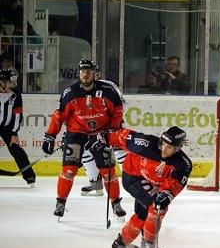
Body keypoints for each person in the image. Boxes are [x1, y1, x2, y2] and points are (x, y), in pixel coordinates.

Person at [86, 126, 192, 248]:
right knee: (156, 207)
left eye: (169, 147)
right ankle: (148, 244)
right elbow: (124, 137)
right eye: (163, 144)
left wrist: (167, 194)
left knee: (143, 215)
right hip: (133, 177)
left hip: (150, 183)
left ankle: (120, 244)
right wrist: (105, 138)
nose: (164, 149)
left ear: (178, 148)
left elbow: (175, 184)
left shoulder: (183, 163)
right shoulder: (146, 144)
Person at [42, 59, 126, 219]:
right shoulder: (70, 92)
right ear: (79, 73)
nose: (85, 74)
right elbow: (59, 116)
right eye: (82, 71)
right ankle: (61, 202)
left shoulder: (108, 90)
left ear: (95, 73)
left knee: (108, 172)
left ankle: (116, 204)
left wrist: (111, 130)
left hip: (101, 134)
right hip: (76, 134)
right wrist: (50, 136)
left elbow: (117, 111)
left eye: (88, 71)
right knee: (68, 170)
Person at [80, 66, 127, 196]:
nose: (91, 75)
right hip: (90, 128)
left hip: (110, 126)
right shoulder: (79, 88)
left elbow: (119, 105)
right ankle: (95, 182)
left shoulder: (108, 86)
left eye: (93, 72)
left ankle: (133, 179)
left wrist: (113, 125)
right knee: (86, 151)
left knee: (119, 150)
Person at [0, 68, 36, 186]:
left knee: (17, 150)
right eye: (10, 81)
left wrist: (14, 133)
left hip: (7, 128)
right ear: (2, 82)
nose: (13, 84)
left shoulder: (15, 95)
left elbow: (17, 115)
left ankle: (29, 176)